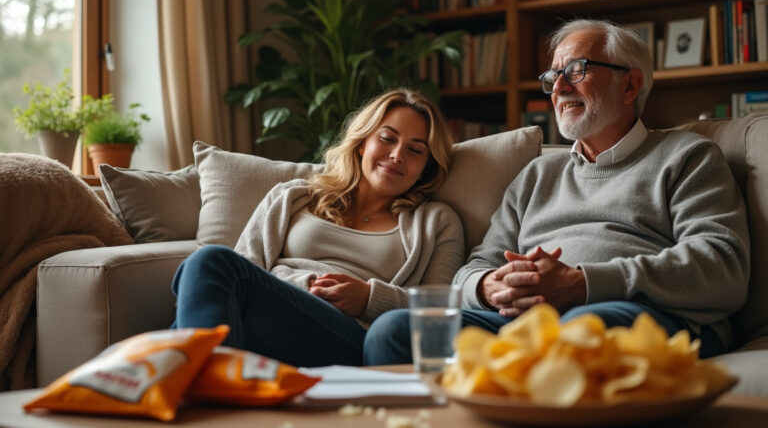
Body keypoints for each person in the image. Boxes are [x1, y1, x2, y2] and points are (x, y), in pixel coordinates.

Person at [364, 19, 749, 365]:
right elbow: (475, 266)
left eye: (576, 70)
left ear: (630, 84)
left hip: (645, 318)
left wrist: (582, 283)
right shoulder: (537, 174)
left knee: (580, 331)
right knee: (395, 330)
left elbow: (723, 266)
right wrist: (488, 286)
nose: (559, 87)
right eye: (553, 76)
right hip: (529, 323)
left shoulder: (687, 156)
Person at [171, 88, 464, 367]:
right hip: (270, 311)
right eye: (387, 138)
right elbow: (247, 264)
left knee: (207, 264)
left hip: (346, 335)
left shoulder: (437, 222)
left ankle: (192, 381)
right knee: (204, 270)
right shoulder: (293, 196)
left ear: (426, 166)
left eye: (415, 150)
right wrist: (305, 284)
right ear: (363, 143)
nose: (398, 155)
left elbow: (441, 308)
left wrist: (368, 298)